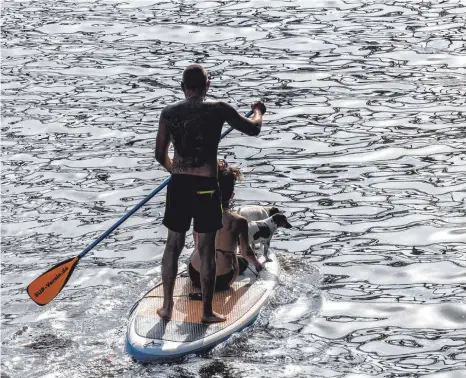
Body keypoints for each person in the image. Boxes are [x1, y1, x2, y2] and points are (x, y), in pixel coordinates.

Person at [155, 64, 266, 324]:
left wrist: (178, 172)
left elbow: (160, 155)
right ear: (208, 85)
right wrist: (258, 110)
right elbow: (253, 128)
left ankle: (167, 308)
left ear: (183, 88)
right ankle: (206, 312)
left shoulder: (169, 113)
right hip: (206, 187)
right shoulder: (219, 108)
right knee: (206, 248)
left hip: (179, 185)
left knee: (173, 244)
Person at [189, 160, 263, 292]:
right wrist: (258, 264)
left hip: (195, 274)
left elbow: (196, 245)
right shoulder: (238, 221)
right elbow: (246, 252)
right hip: (222, 279)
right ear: (232, 195)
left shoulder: (199, 213)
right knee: (240, 258)